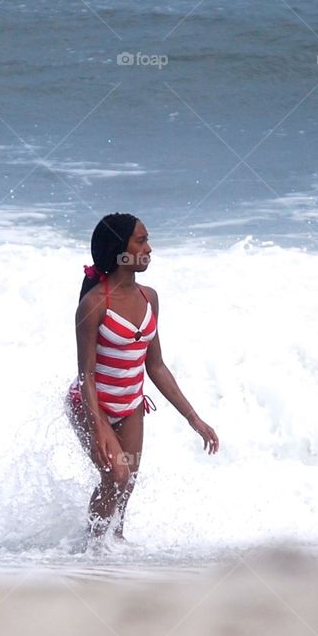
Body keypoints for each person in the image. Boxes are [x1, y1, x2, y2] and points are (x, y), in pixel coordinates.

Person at [65, 212, 219, 542]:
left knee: (127, 482)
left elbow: (157, 366)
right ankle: (91, 548)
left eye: (147, 239)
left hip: (131, 403)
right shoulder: (94, 304)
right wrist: (98, 426)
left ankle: (115, 547)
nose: (149, 248)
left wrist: (194, 419)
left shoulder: (150, 298)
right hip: (92, 403)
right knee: (116, 476)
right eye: (141, 240)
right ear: (120, 250)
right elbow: (86, 375)